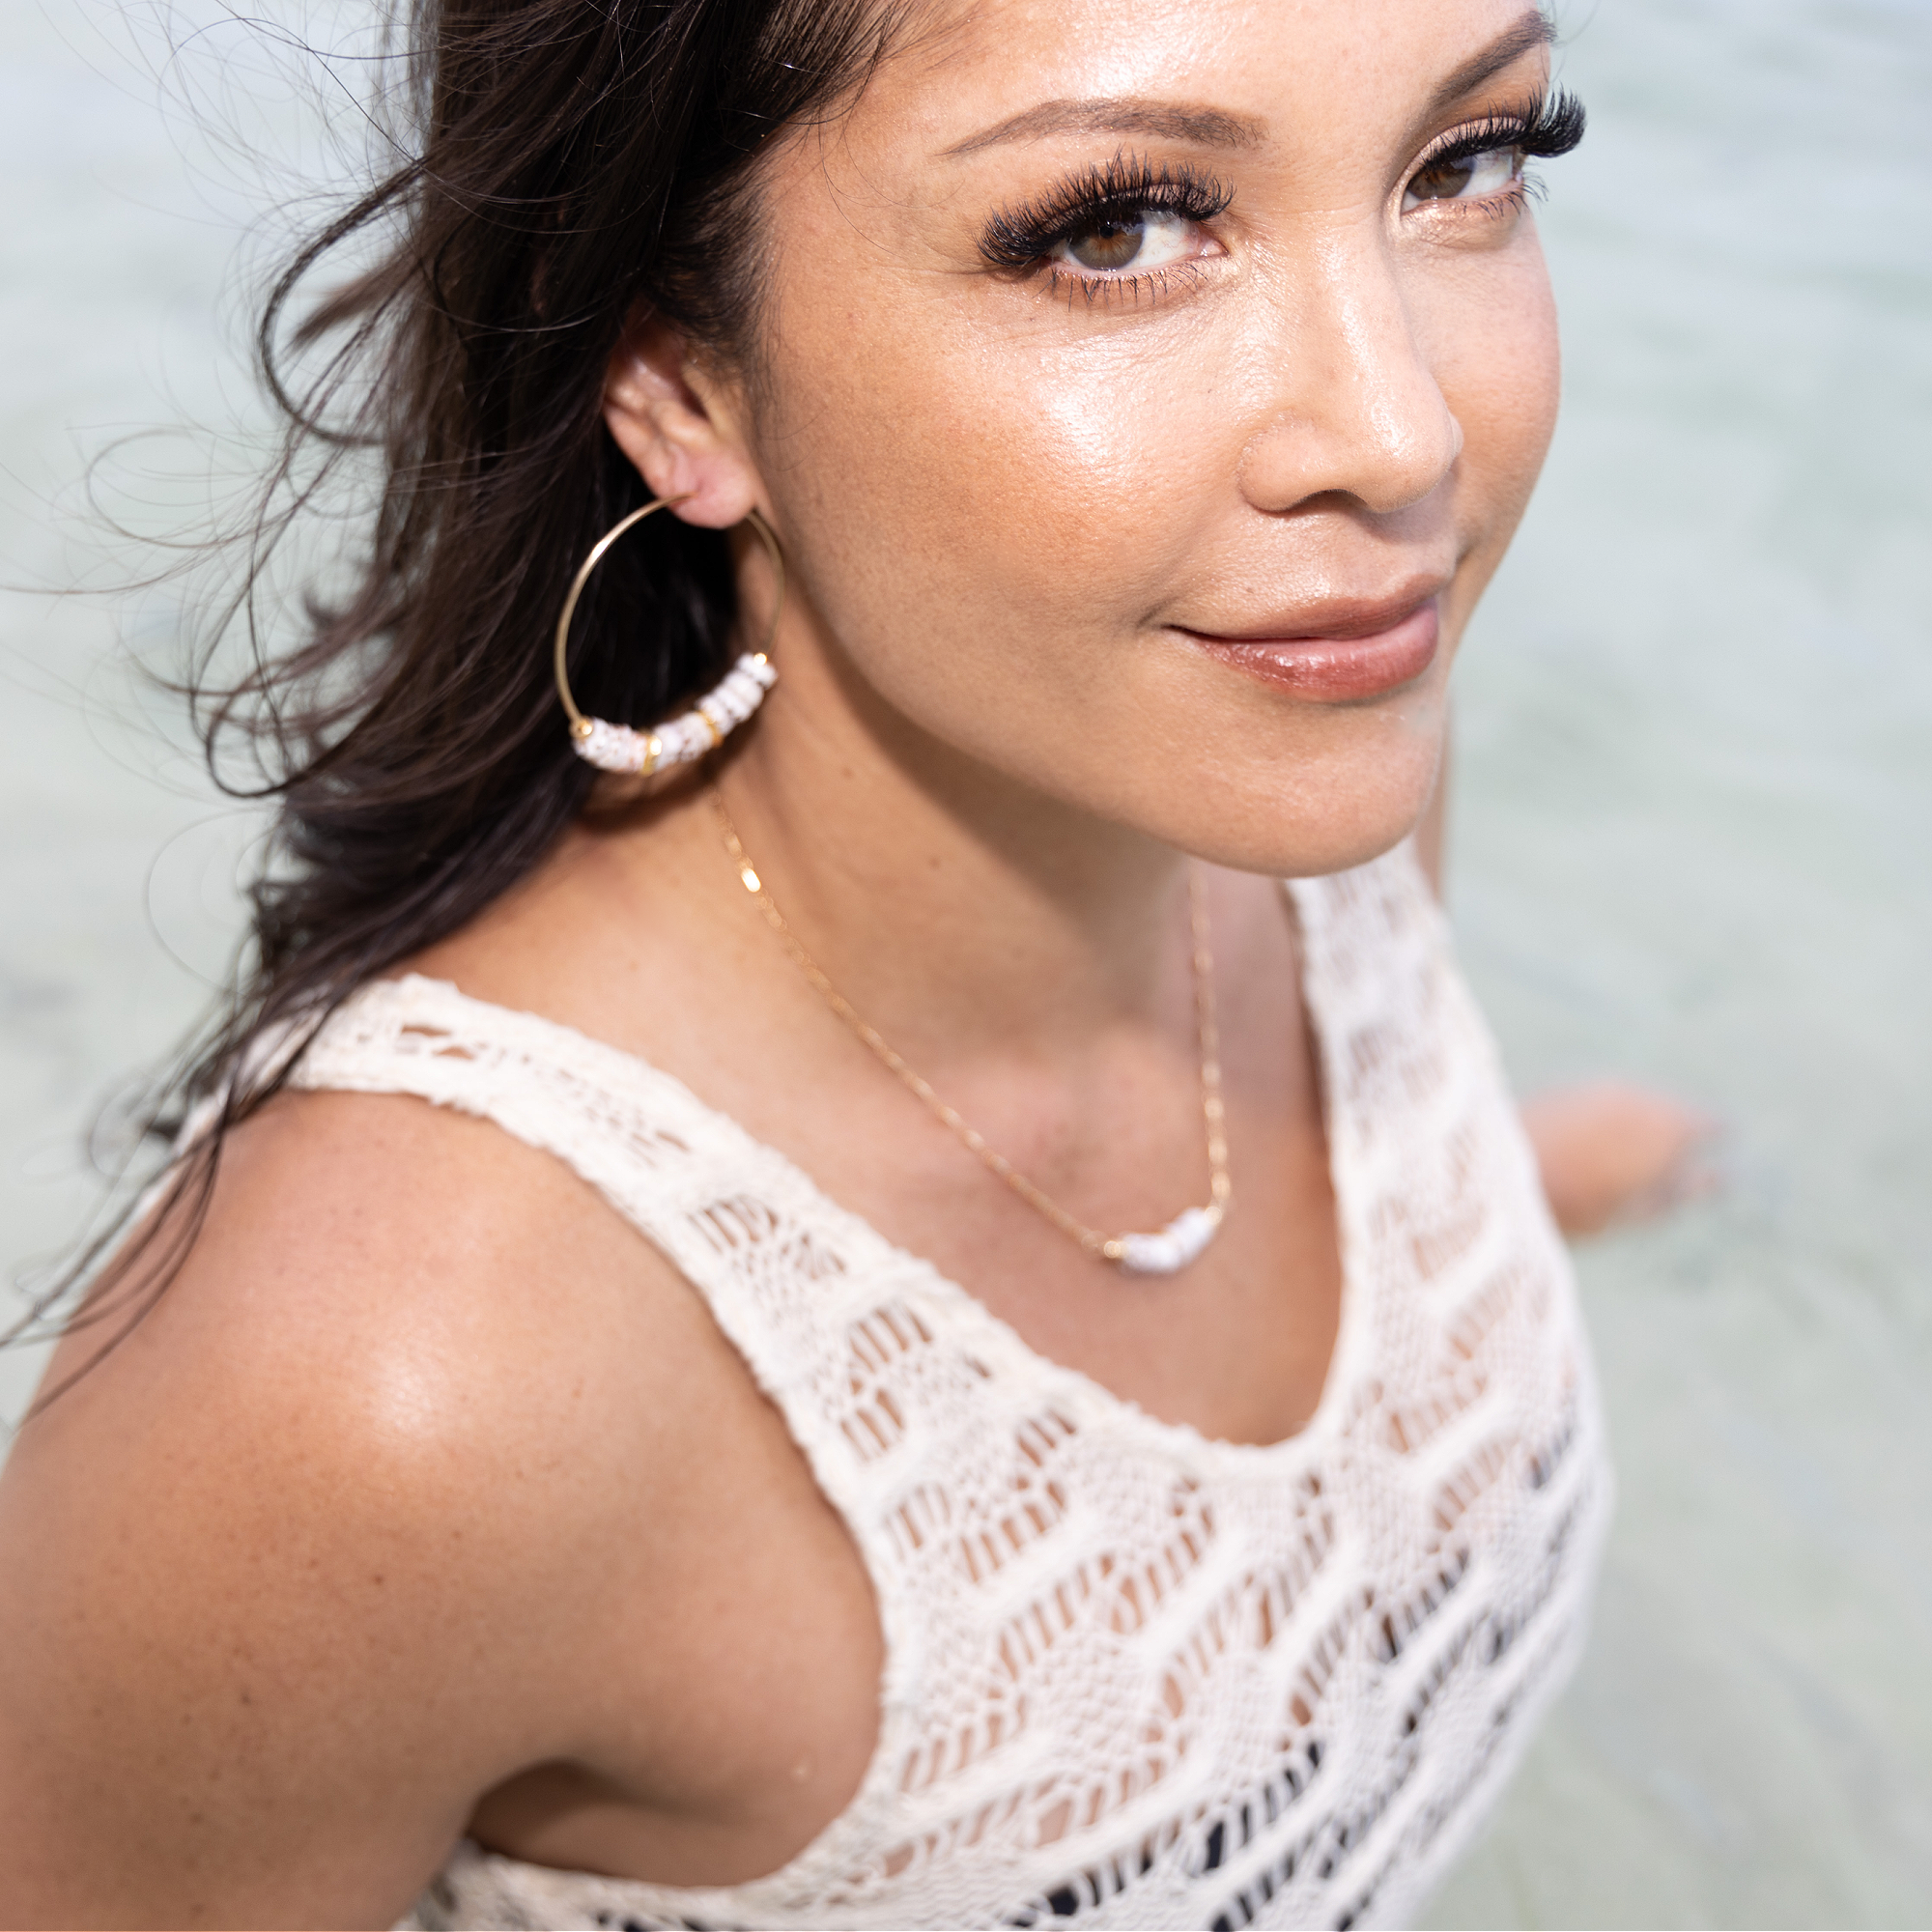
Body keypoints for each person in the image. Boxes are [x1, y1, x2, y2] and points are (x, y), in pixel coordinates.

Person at [0, 1, 1710, 1924]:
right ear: (677, 382)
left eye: (1470, 159)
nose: (1401, 433)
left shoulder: (1302, 762)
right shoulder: (387, 1388)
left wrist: (1519, 1184)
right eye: (1119, 228)